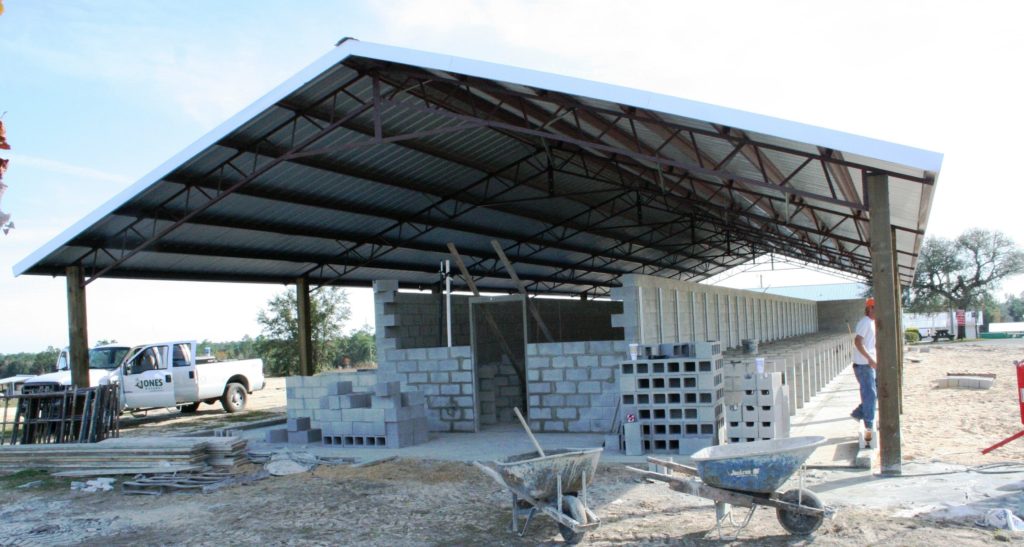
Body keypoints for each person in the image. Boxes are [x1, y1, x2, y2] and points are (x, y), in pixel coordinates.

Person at [851, 297, 877, 443]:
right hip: (863, 365)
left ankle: (860, 412)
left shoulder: (872, 323)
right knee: (870, 395)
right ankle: (869, 428)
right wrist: (869, 359)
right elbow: (858, 341)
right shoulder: (865, 323)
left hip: (868, 364)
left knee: (873, 393)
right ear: (870, 308)